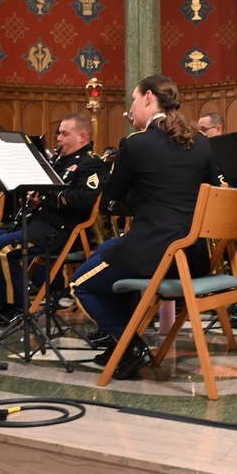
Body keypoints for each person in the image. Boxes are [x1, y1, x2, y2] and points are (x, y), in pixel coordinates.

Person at [71, 75, 221, 379]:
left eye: (133, 101)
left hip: (154, 254)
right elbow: (212, 192)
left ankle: (130, 346)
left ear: (149, 98)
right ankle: (121, 345)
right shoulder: (202, 142)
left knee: (80, 283)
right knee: (111, 250)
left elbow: (111, 196)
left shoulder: (136, 143)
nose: (131, 108)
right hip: (195, 256)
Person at [0, 113, 106, 323]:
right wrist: (36, 200)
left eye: (64, 134)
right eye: (59, 134)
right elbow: (51, 195)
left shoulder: (91, 164)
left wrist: (46, 195)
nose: (58, 139)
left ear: (82, 136)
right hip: (41, 222)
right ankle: (2, 301)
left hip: (62, 229)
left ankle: (17, 306)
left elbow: (83, 200)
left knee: (3, 247)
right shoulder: (59, 161)